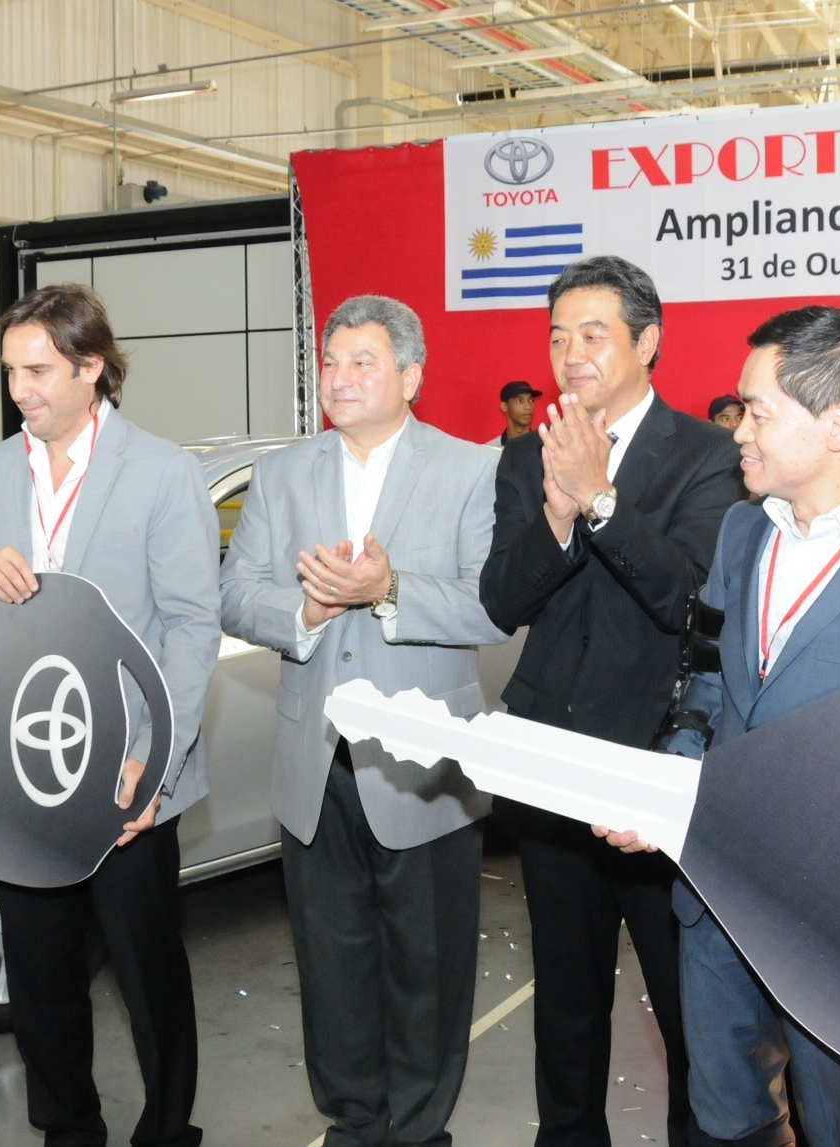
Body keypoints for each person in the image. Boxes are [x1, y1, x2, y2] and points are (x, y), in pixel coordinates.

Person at [597, 307, 840, 1147]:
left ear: (837, 425)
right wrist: (668, 785)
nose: (738, 430)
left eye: (758, 411)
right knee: (725, 1123)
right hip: (718, 900)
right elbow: (708, 683)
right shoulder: (742, 531)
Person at [221, 295, 507, 1147]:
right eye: (331, 362)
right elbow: (234, 593)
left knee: (429, 960)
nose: (339, 378)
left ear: (410, 376)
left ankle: (418, 1127)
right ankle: (354, 1118)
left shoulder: (470, 469)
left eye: (362, 362)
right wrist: (305, 611)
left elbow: (494, 605)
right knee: (332, 956)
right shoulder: (283, 473)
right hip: (314, 761)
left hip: (426, 758)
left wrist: (387, 589)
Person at [481, 255, 743, 1147]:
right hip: (554, 766)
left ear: (648, 341)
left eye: (592, 334)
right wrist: (556, 516)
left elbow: (688, 598)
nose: (570, 354)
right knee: (566, 1005)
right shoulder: (527, 456)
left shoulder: (708, 456)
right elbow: (502, 600)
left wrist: (598, 499)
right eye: (558, 336)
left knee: (688, 1006)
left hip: (657, 769)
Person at [0, 285, 220, 1147]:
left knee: (147, 971)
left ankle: (167, 1128)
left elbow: (191, 627)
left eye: (37, 371)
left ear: (91, 368)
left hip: (124, 766)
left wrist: (154, 759)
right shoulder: (5, 465)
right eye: (11, 372)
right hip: (32, 765)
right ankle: (68, 1129)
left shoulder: (161, 470)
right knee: (40, 970)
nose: (20, 390)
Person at [501, 380, 543, 444]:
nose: (528, 407)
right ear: (504, 406)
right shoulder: (491, 448)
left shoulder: (544, 446)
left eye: (531, 400)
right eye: (520, 401)